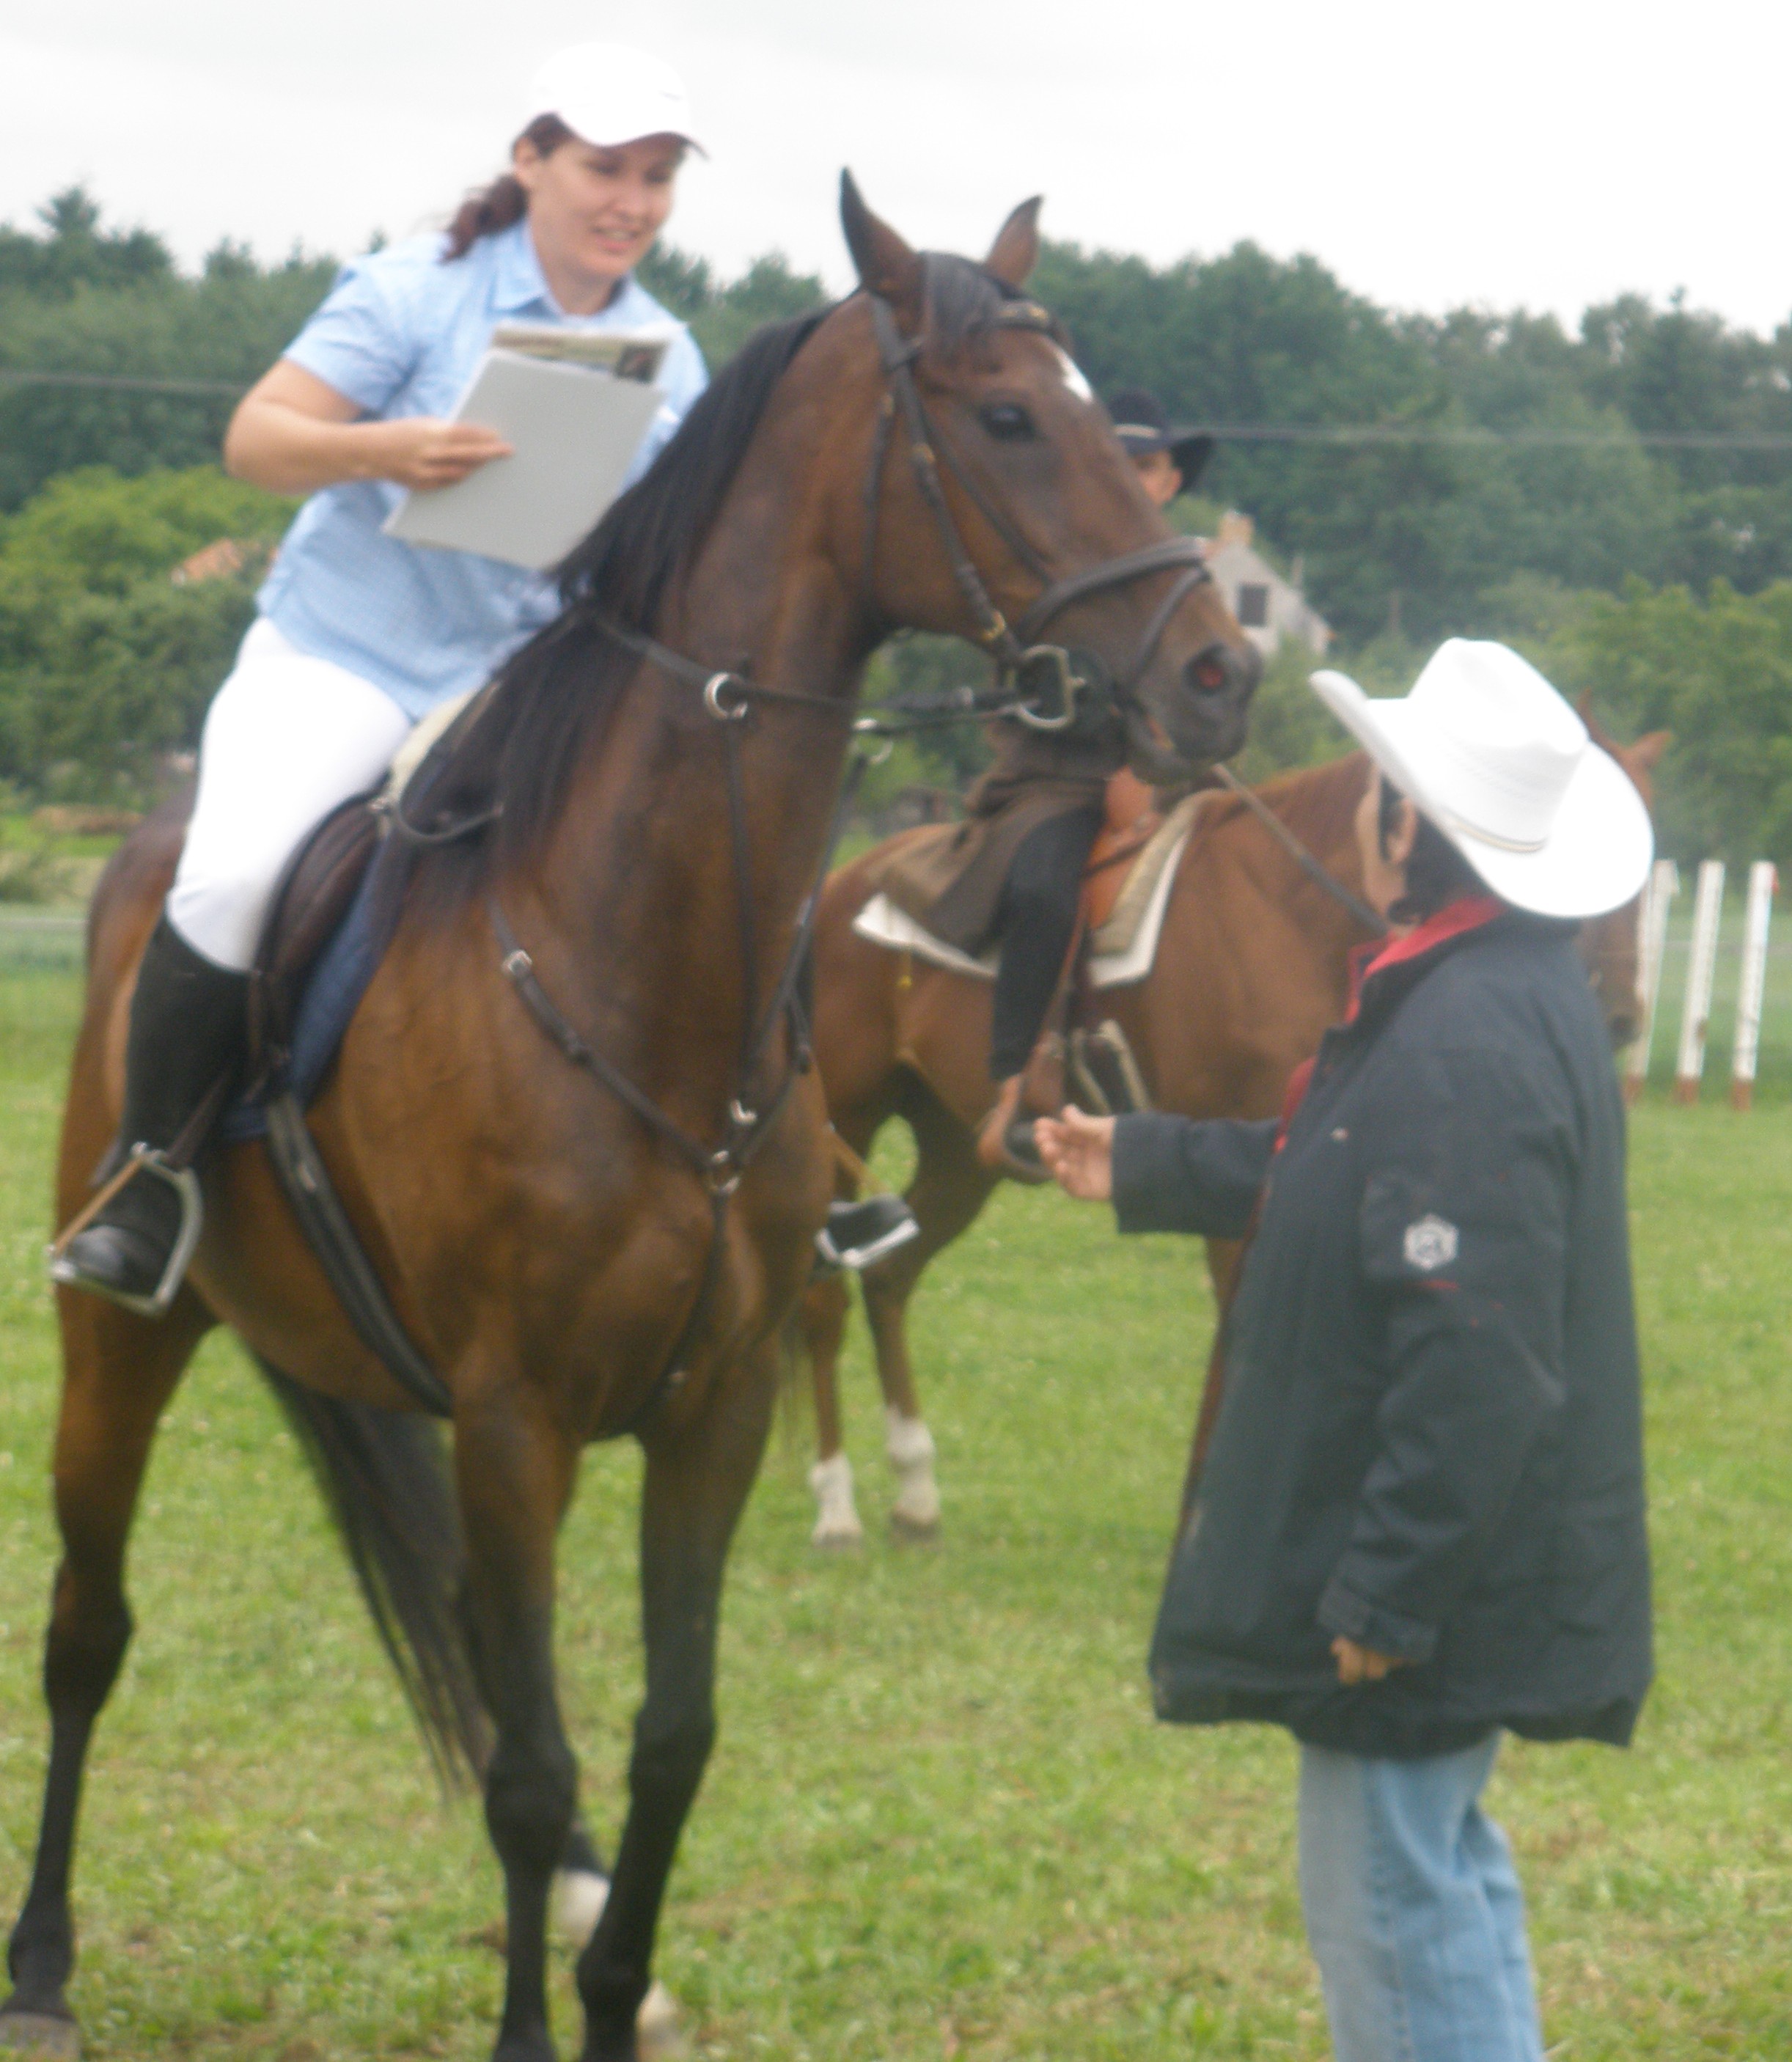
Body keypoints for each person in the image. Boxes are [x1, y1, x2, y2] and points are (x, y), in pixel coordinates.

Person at [1038, 639, 1654, 2062]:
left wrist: (1384, 1586)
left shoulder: (1463, 1032)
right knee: (1436, 1877)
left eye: (1381, 786)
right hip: (1466, 1576)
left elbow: (1475, 1353)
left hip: (1428, 1596)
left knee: (1389, 1904)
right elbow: (1345, 1166)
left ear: (1405, 824)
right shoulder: (1486, 989)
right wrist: (1139, 1158)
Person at [54, 43, 710, 1312]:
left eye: (655, 176)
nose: (630, 199)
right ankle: (149, 1178)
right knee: (238, 872)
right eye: (603, 168)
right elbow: (255, 438)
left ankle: (778, 1156)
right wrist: (386, 448)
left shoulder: (667, 357)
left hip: (516, 683)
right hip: (345, 657)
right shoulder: (416, 290)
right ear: (530, 161)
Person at [958, 388, 1211, 1179]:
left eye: (1150, 465)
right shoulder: (1048, 559)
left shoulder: (1187, 570)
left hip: (1171, 774)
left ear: (1170, 480)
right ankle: (1018, 1083)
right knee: (1043, 889)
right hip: (1055, 775)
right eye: (1123, 464)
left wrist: (1171, 750)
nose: (1138, 479)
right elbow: (1022, 675)